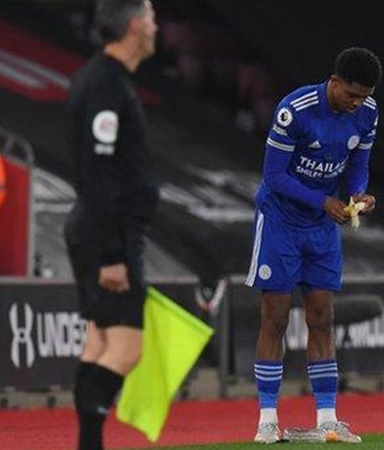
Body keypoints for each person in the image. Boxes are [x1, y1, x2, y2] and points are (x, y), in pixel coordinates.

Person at [245, 47, 382, 444]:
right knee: (275, 319)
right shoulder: (295, 110)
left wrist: (358, 196)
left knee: (321, 317)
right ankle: (267, 421)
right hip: (280, 223)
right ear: (335, 83)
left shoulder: (368, 113)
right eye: (352, 95)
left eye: (364, 96)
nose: (357, 103)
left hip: (322, 228)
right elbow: (274, 175)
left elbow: (358, 164)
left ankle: (327, 420)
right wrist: (324, 201)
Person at [64, 1, 159, 449]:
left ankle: (90, 444)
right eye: (153, 17)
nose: (157, 26)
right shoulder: (106, 84)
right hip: (110, 234)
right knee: (125, 350)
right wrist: (112, 256)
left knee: (99, 345)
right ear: (136, 26)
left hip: (101, 228)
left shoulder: (105, 79)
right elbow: (98, 172)